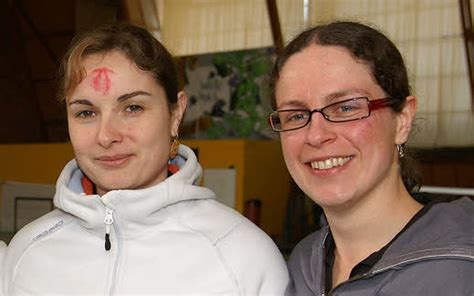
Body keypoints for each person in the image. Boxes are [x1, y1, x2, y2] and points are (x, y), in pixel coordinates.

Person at [2, 23, 288, 295]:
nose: (106, 135)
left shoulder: (243, 257)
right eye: (85, 113)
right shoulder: (27, 253)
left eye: (133, 107)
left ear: (175, 114)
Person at [268, 21, 474, 295]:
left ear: (402, 120)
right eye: (296, 115)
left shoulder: (461, 268)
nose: (316, 136)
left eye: (346, 107)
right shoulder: (301, 267)